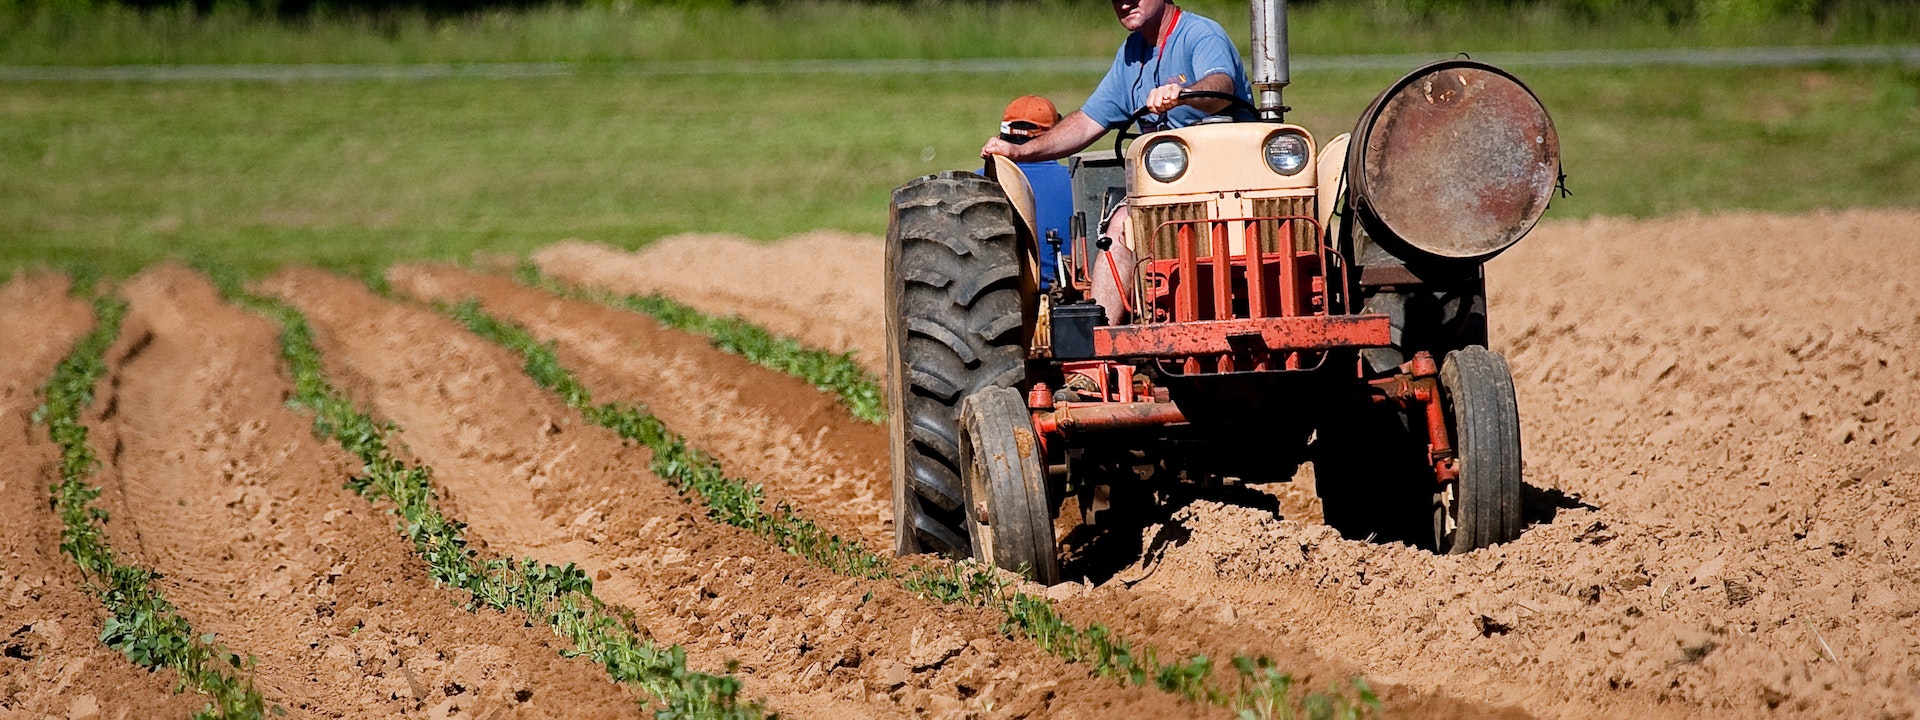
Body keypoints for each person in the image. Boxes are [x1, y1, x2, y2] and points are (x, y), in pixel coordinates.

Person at [980, 0, 1252, 323]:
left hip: (1230, 189)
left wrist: (1183, 92)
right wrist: (1020, 152)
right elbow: (1085, 122)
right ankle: (1100, 353)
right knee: (1121, 226)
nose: (1124, 2)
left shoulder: (1200, 35)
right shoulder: (1131, 55)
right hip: (1164, 195)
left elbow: (1222, 84)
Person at [980, 95, 1074, 289]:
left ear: (1002, 135)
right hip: (1068, 298)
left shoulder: (977, 183)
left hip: (997, 295)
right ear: (1055, 136)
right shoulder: (1078, 182)